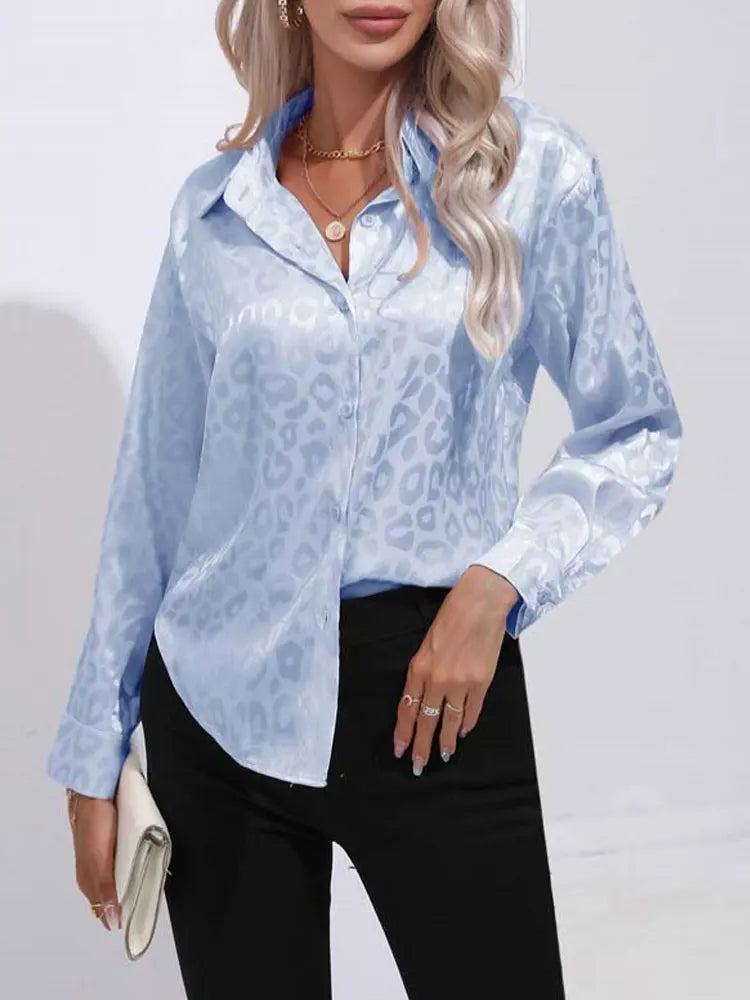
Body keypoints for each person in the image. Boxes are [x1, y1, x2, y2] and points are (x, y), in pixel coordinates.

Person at [47, 1, 683, 997]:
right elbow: (153, 492)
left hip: (437, 693)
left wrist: (497, 583)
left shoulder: (532, 175)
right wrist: (95, 745)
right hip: (218, 710)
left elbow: (635, 428)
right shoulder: (217, 214)